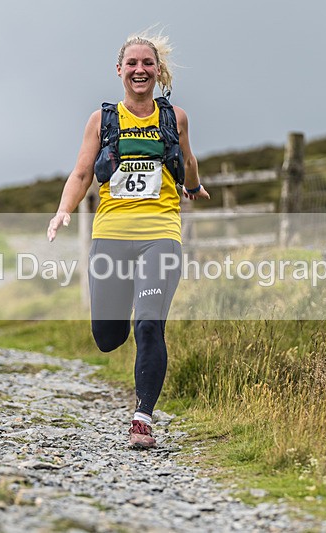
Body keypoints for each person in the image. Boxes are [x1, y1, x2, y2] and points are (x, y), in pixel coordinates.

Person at [47, 31, 210, 448]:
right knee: (107, 337)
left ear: (158, 71)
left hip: (161, 234)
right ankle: (121, 350)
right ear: (119, 70)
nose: (140, 70)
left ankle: (143, 418)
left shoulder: (175, 118)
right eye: (132, 64)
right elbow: (82, 173)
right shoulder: (103, 120)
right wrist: (64, 209)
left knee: (150, 324)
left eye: (147, 64)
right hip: (111, 236)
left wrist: (193, 186)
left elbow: (187, 160)